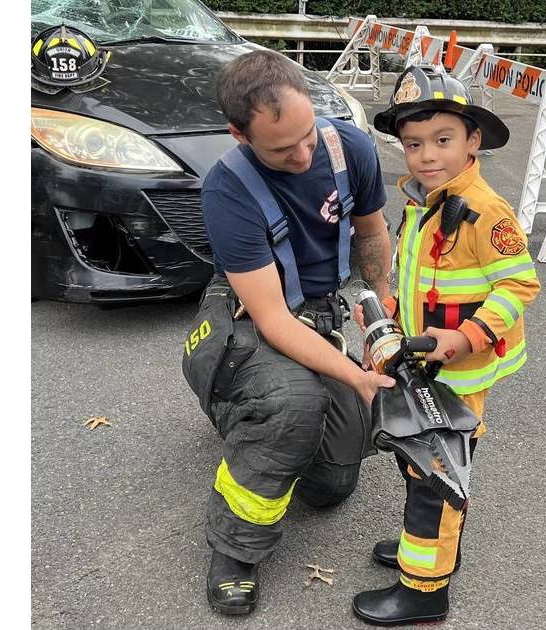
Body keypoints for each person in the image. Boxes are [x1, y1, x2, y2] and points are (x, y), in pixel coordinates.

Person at [180, 49, 396, 617]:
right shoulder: (227, 190)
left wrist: (381, 314)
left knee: (330, 486)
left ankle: (262, 429)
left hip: (321, 312)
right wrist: (355, 374)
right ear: (239, 134)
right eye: (281, 149)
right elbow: (273, 319)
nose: (302, 156)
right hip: (248, 315)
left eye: (306, 137)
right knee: (292, 404)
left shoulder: (348, 146)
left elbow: (372, 234)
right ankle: (235, 549)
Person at [349, 65, 541, 626]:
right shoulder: (425, 200)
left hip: (460, 369)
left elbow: (519, 283)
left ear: (472, 140)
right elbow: (420, 276)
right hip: (426, 365)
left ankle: (424, 589)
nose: (427, 155)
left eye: (442, 141)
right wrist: (394, 311)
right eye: (413, 144)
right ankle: (433, 550)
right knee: (421, 464)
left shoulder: (485, 211)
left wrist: (465, 337)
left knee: (435, 473)